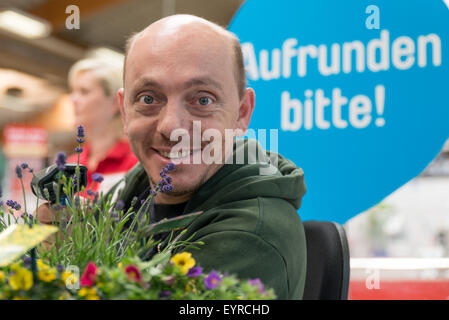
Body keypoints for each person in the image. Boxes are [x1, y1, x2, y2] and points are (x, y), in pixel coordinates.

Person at [39, 14, 307, 299]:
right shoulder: (135, 193)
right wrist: (67, 245)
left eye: (202, 100)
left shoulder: (252, 238)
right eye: (148, 99)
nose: (171, 127)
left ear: (242, 113)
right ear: (125, 111)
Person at [66, 58, 138, 194]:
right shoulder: (70, 165)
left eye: (84, 91)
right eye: (73, 91)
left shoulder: (135, 163)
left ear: (114, 102)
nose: (73, 99)